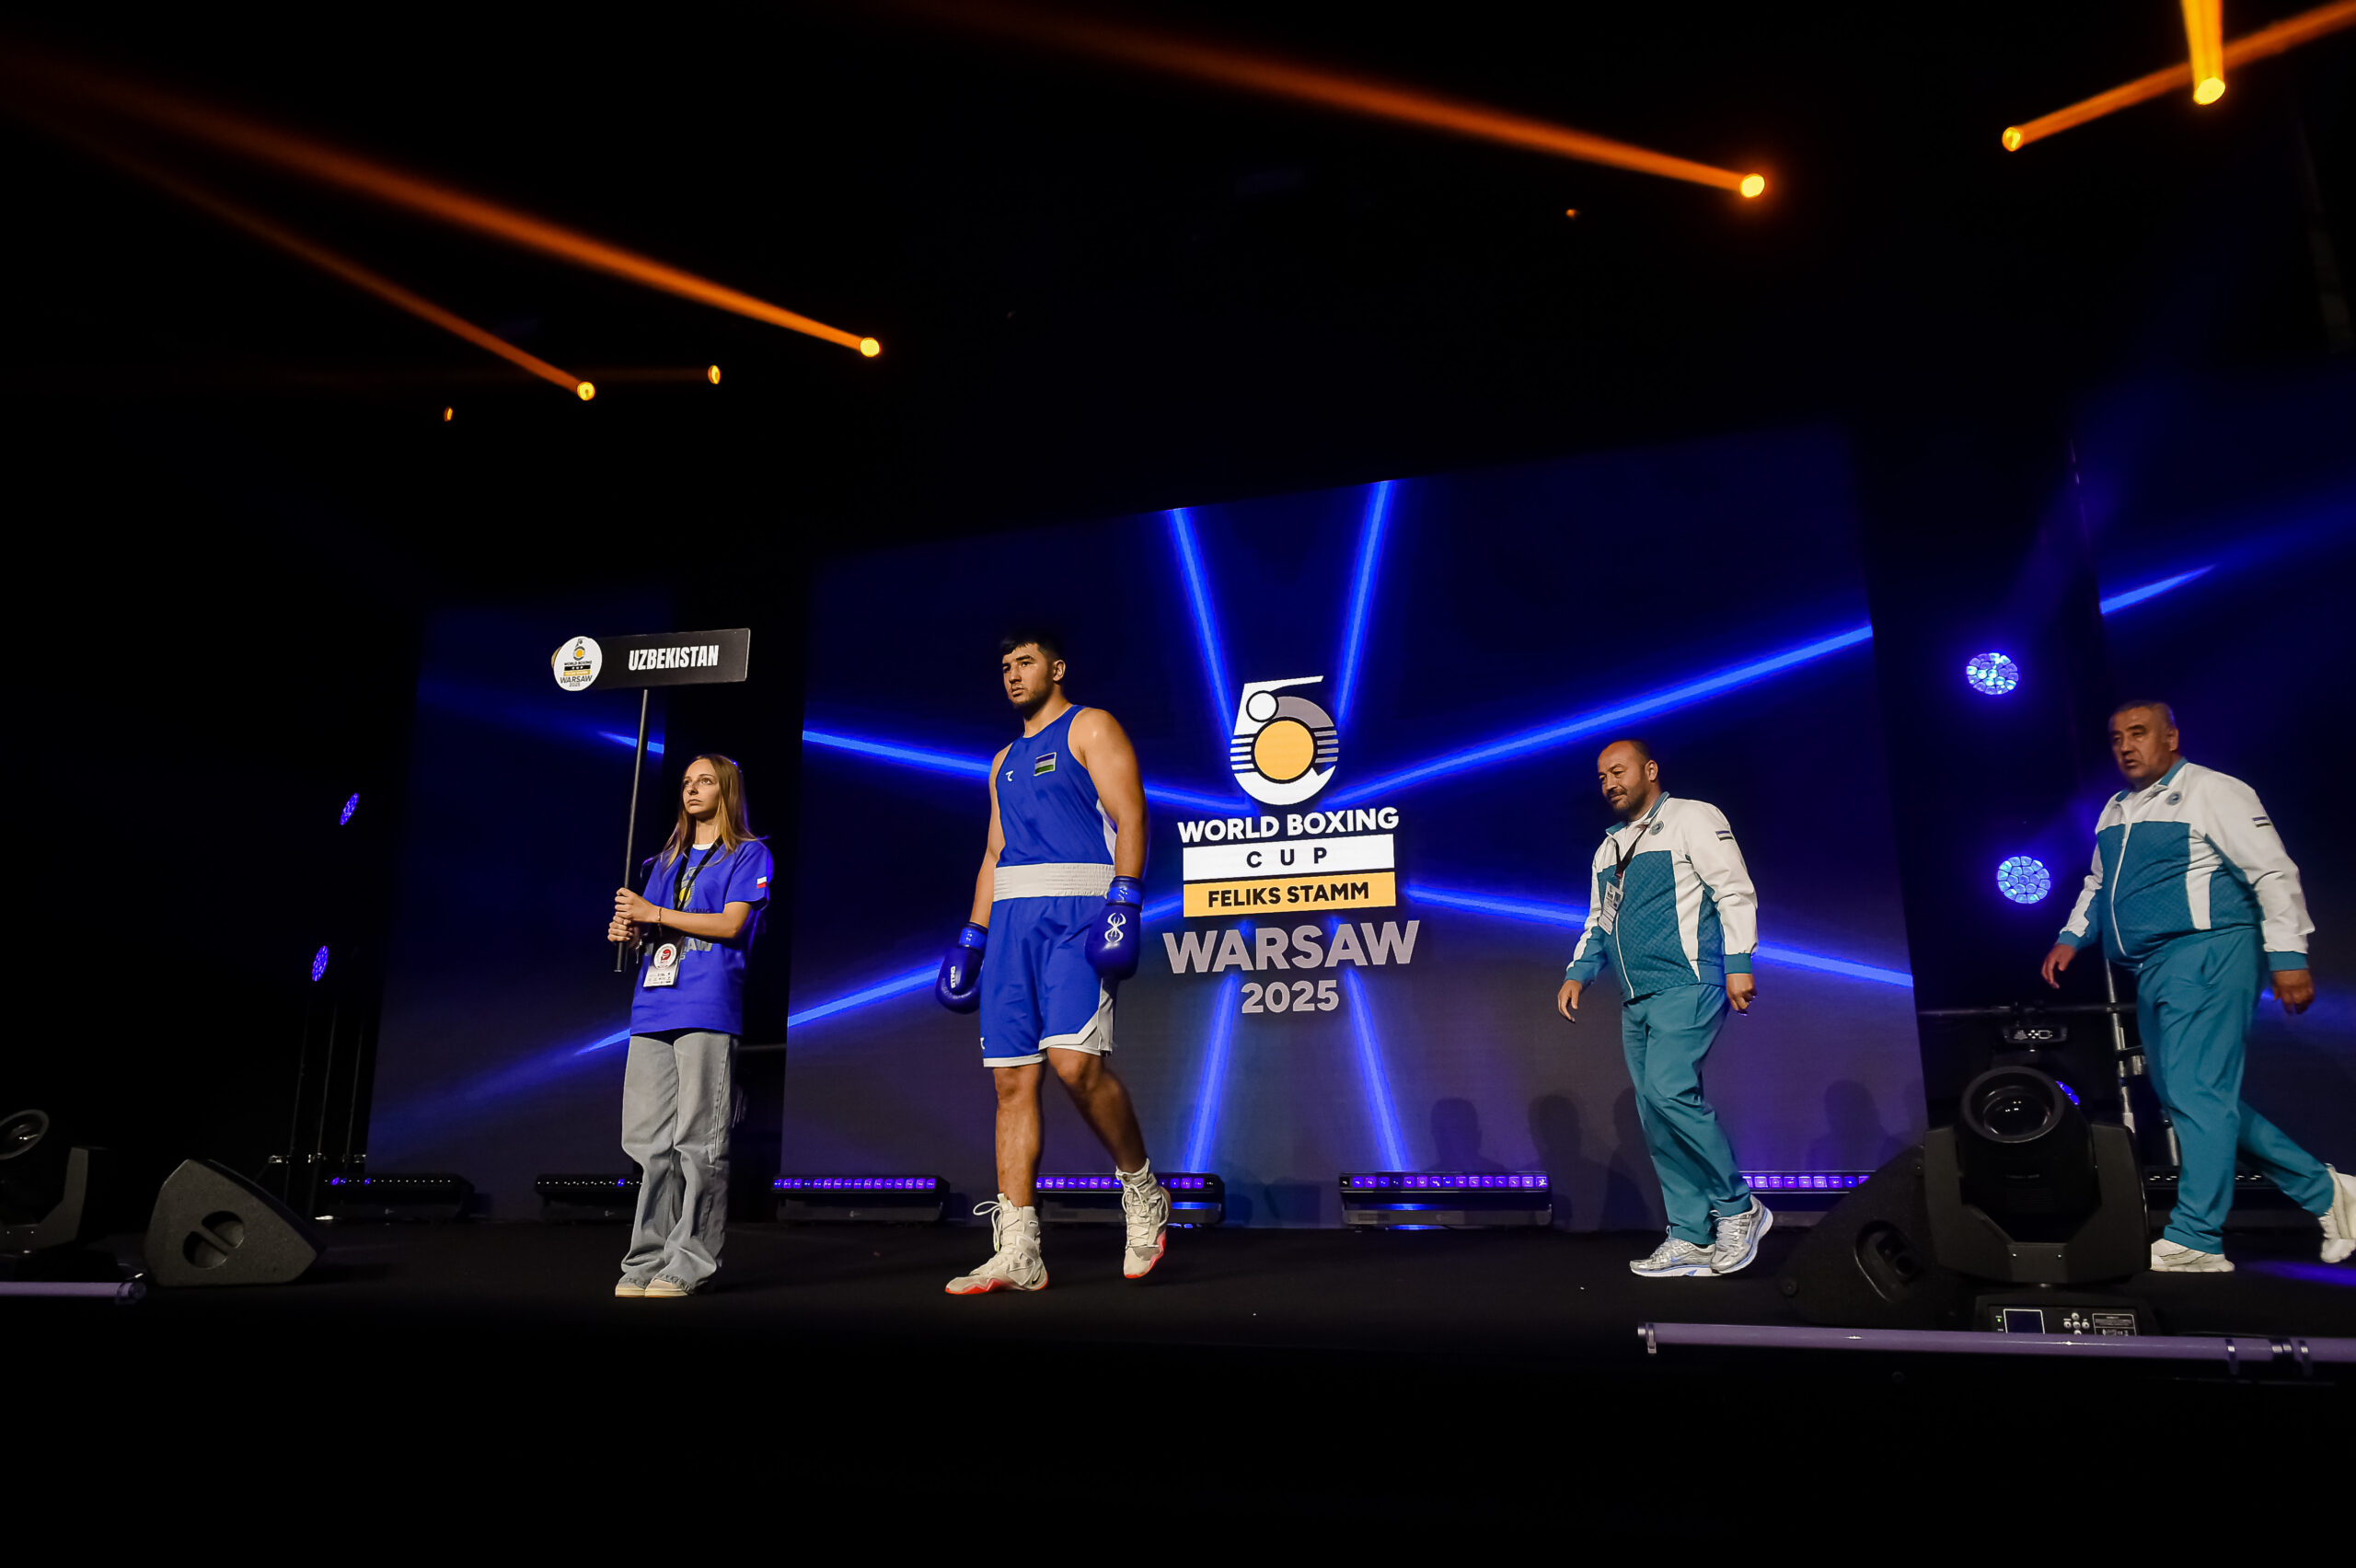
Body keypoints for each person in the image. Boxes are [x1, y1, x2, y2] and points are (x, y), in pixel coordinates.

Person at [2042, 701, 2354, 1271]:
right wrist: (2071, 936)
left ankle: (2197, 1238)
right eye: (2116, 738)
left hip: (2209, 950)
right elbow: (2099, 883)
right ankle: (2327, 1193)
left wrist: (2288, 955)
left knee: (2196, 1093)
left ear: (2171, 737)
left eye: (2139, 733)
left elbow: (2272, 871)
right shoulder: (2116, 809)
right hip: (2152, 966)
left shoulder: (2214, 791)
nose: (2126, 746)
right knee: (2192, 1096)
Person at [931, 629, 1168, 1293]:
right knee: (1011, 1082)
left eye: (1026, 662)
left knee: (1074, 1064)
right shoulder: (1002, 760)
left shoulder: (1091, 727)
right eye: (1005, 665)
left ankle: (1143, 1189)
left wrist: (1125, 900)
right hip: (1011, 924)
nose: (1012, 674)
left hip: (1078, 915)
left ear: (1056, 668)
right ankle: (1019, 1249)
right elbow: (994, 853)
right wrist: (972, 936)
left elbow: (1131, 815)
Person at [1555, 739, 1771, 1278]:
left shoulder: (1692, 818)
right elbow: (1599, 921)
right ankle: (1691, 1233)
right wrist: (1579, 972)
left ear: (1649, 770)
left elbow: (1732, 890)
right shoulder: (1609, 848)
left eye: (1619, 771)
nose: (1610, 783)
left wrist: (1739, 961)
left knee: (1670, 1091)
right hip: (1637, 996)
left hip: (1689, 979)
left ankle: (1739, 1208)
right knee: (1654, 1111)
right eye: (1602, 776)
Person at [605, 754, 773, 1297]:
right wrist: (631, 933)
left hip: (707, 1006)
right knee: (647, 1141)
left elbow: (731, 923)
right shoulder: (663, 861)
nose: (692, 789)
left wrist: (652, 914)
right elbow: (653, 931)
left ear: (726, 790)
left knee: (699, 1142)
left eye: (704, 781)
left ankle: (691, 1260)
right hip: (653, 1007)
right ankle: (645, 1260)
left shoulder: (748, 853)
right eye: (685, 782)